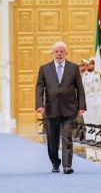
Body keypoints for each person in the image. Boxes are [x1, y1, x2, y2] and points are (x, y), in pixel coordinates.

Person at [35, 41, 86, 174]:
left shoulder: (73, 68)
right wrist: (39, 104)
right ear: (52, 53)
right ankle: (55, 162)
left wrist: (81, 106)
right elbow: (39, 87)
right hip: (51, 109)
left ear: (66, 53)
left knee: (67, 137)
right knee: (52, 139)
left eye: (61, 51)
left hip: (69, 108)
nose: (59, 54)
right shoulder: (44, 68)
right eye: (56, 51)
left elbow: (79, 88)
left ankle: (67, 165)